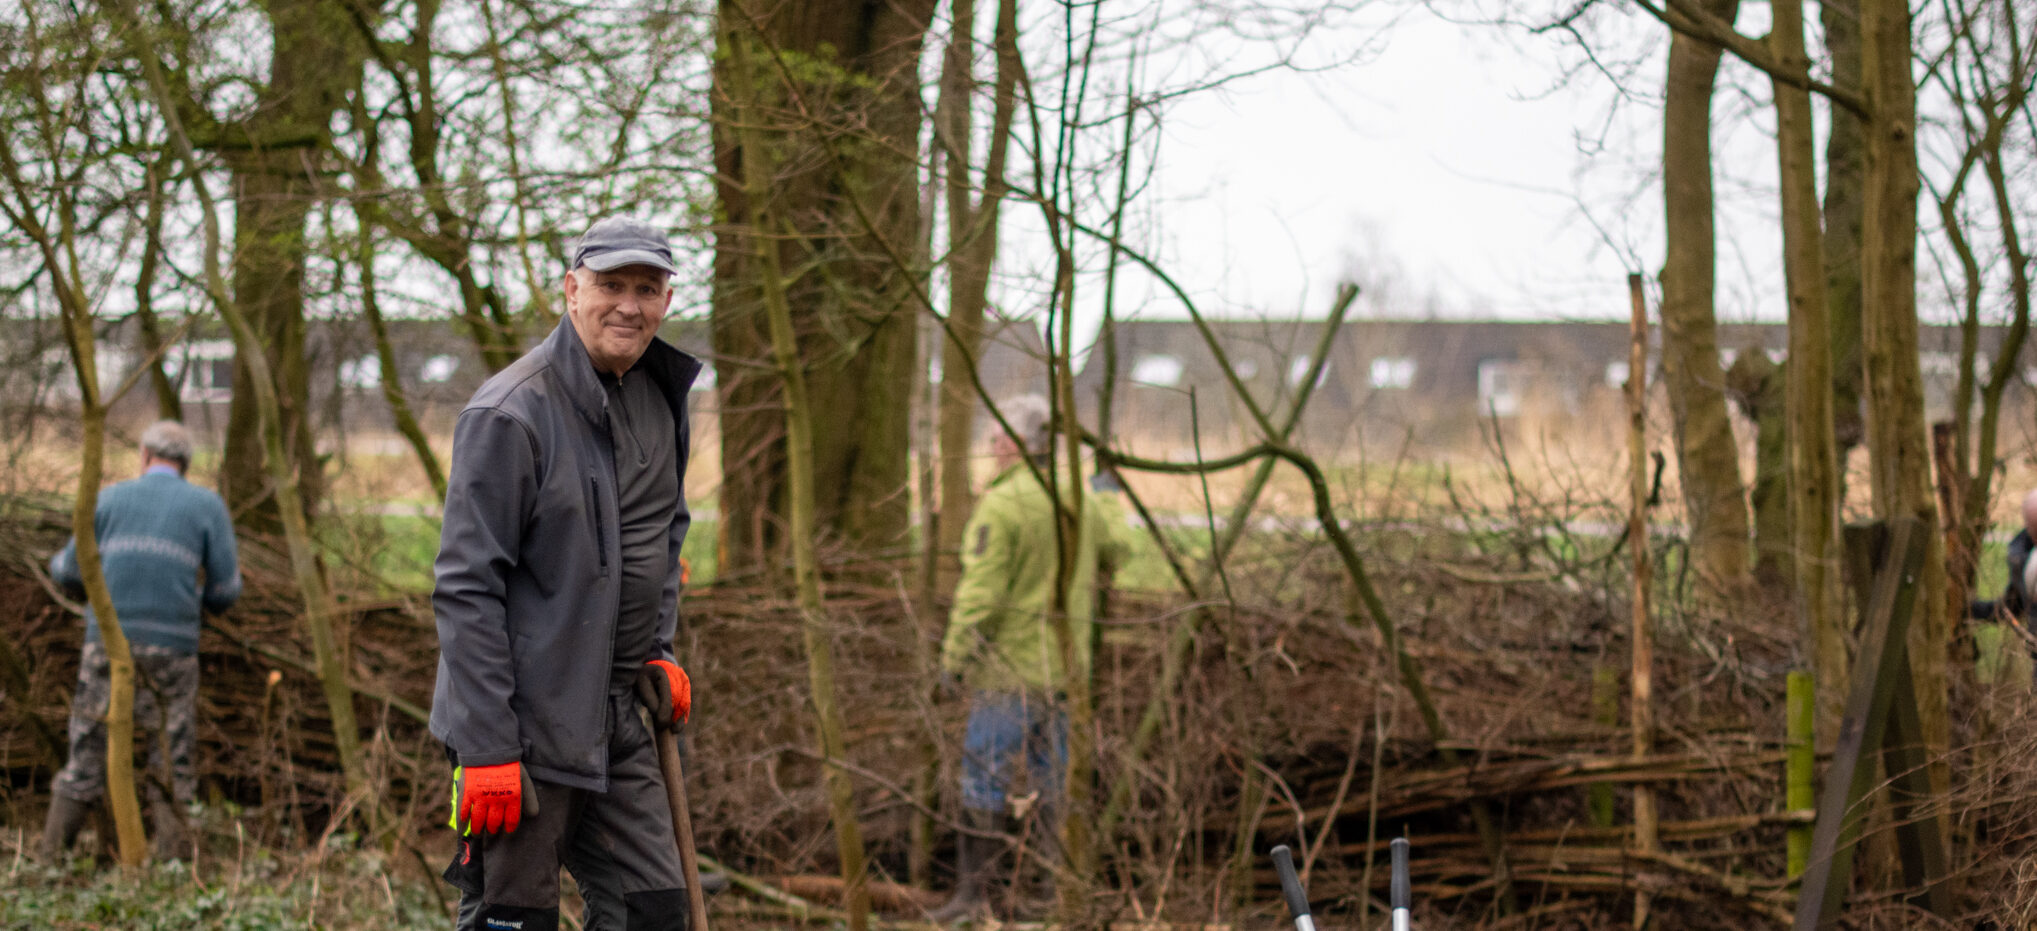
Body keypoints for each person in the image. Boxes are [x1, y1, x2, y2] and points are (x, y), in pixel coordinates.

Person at [429, 216, 703, 931]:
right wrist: (487, 747)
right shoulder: (509, 412)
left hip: (614, 712)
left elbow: (661, 536)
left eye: (647, 287)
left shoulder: (657, 400)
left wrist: (657, 647)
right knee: (513, 919)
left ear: (667, 300)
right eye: (610, 284)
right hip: (523, 717)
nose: (629, 304)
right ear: (570, 288)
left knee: (653, 909)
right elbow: (465, 586)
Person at [930, 395, 1127, 923]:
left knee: (983, 778)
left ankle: (976, 898)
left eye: (998, 439)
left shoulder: (1005, 504)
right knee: (1054, 781)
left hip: (1006, 676)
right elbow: (1122, 548)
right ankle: (1048, 895)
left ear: (1017, 445)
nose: (991, 448)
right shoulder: (1078, 498)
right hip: (1066, 675)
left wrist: (953, 660)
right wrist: (1106, 491)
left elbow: (981, 595)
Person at [39, 419, 241, 862]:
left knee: (85, 756)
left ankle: (49, 862)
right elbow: (227, 590)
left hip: (107, 646)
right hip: (174, 649)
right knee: (171, 763)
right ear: (185, 464)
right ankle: (172, 871)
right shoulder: (207, 506)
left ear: (145, 457)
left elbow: (68, 571)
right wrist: (192, 606)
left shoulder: (107, 499)